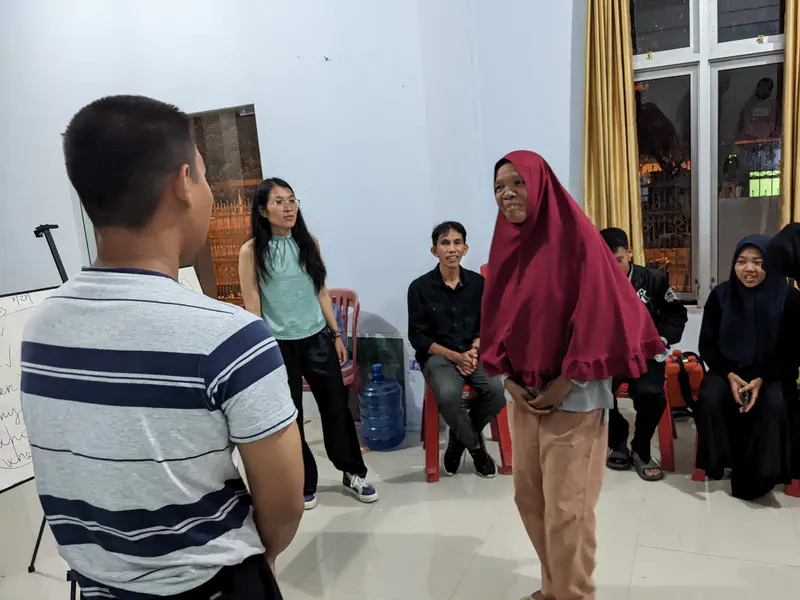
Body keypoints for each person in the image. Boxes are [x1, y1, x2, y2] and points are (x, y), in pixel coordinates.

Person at [20, 96, 304, 600]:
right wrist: (259, 563)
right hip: (214, 586)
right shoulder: (232, 337)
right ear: (182, 183)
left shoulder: (40, 328)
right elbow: (283, 505)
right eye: (204, 175)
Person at [482, 151, 664, 600]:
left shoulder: (578, 239)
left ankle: (573, 594)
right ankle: (554, 588)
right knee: (530, 498)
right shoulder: (507, 247)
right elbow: (497, 318)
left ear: (541, 184)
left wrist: (567, 381)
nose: (507, 194)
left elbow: (603, 314)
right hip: (524, 395)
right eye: (499, 187)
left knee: (568, 508)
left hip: (574, 396)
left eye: (517, 182)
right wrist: (507, 380)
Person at [239, 178, 377, 510]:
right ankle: (305, 482)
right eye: (279, 202)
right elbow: (253, 303)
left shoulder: (308, 243)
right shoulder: (251, 251)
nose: (288, 208)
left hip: (317, 338)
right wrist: (261, 349)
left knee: (336, 408)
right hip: (278, 344)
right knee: (292, 416)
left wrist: (336, 334)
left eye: (292, 201)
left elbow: (321, 292)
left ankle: (352, 472)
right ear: (263, 211)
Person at [695, 235, 800, 501]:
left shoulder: (789, 298)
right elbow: (707, 345)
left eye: (758, 262)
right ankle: (721, 461)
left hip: (772, 372)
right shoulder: (721, 295)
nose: (749, 269)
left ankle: (766, 470)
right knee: (710, 395)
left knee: (776, 402)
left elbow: (792, 351)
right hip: (728, 369)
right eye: (742, 261)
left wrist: (762, 378)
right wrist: (730, 374)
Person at [407, 221, 505, 477]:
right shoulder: (419, 288)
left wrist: (473, 350)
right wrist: (455, 356)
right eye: (445, 243)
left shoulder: (478, 284)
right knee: (449, 395)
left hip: (473, 354)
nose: (451, 249)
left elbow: (488, 325)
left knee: (497, 392)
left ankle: (458, 438)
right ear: (434, 250)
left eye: (457, 242)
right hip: (438, 357)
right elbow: (418, 337)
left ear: (465, 248)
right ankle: (476, 449)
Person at [600, 227, 688, 480]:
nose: (613, 267)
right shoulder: (595, 282)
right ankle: (617, 440)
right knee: (594, 392)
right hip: (611, 356)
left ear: (629, 252)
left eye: (618, 260)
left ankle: (640, 446)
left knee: (652, 394)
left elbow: (676, 315)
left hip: (647, 353)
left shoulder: (652, 279)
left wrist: (662, 339)